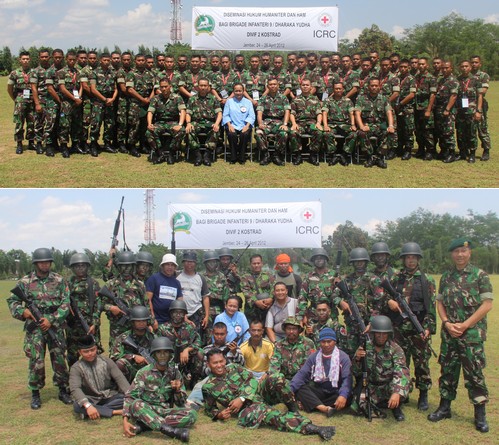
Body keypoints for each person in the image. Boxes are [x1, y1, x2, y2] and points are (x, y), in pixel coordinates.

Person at [428, 238, 493, 433]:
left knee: (474, 374)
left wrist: (465, 325)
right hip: (450, 334)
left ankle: (479, 414)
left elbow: (487, 304)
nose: (460, 255)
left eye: (463, 251)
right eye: (456, 251)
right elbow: (439, 303)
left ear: (469, 252)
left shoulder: (480, 275)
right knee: (447, 371)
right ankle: (444, 407)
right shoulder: (446, 277)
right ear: (452, 254)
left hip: (471, 334)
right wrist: (447, 322)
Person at [202, 349, 335, 441]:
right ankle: (313, 428)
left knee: (276, 377)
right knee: (271, 414)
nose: (219, 365)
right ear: (208, 364)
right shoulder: (208, 387)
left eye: (221, 361)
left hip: (257, 394)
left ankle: (293, 409)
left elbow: (252, 381)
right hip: (247, 410)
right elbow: (209, 409)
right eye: (215, 363)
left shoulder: (235, 367)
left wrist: (242, 397)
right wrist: (218, 415)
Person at [7, 247, 72, 409]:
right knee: (36, 359)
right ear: (36, 263)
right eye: (41, 262)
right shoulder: (24, 282)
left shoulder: (59, 280)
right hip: (34, 328)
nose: (45, 265)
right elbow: (13, 302)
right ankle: (35, 393)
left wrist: (51, 319)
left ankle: (63, 389)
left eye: (47, 262)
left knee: (59, 358)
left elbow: (66, 303)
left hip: (54, 326)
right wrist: (24, 312)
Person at [387, 242, 436, 411]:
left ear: (418, 259)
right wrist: (389, 301)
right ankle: (403, 392)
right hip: (400, 328)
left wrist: (428, 328)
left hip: (419, 327)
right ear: (403, 260)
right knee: (401, 362)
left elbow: (431, 307)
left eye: (414, 258)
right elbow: (384, 295)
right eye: (408, 258)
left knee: (421, 362)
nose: (411, 261)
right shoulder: (396, 278)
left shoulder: (426, 279)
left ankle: (423, 394)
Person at [123, 337, 197, 441]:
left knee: (192, 414)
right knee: (136, 404)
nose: (162, 356)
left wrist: (177, 390)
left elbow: (181, 403)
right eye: (159, 353)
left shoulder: (175, 373)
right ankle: (172, 431)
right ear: (154, 355)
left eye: (165, 352)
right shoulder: (143, 373)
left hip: (164, 411)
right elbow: (130, 397)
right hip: (146, 409)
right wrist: (125, 421)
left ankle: (146, 424)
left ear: (170, 355)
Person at [352, 316, 410, 421]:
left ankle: (395, 406)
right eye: (378, 333)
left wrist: (396, 392)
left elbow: (401, 371)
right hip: (372, 386)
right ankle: (383, 403)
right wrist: (357, 359)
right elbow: (356, 372)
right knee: (357, 406)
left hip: (389, 385)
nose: (381, 336)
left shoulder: (396, 349)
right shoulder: (365, 346)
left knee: (400, 390)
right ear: (373, 333)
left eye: (384, 334)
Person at [334, 247, 385, 360]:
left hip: (368, 325)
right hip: (352, 324)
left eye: (361, 261)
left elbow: (379, 302)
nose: (359, 264)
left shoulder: (374, 279)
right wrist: (341, 302)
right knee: (352, 354)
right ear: (353, 263)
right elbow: (334, 295)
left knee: (370, 355)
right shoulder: (347, 280)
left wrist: (371, 322)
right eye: (357, 262)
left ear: (366, 262)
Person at [291, 328, 352, 417]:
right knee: (300, 389)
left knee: (348, 397)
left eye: (329, 341)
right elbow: (302, 374)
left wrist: (343, 395)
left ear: (334, 341)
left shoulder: (343, 357)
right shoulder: (314, 357)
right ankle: (324, 409)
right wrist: (291, 390)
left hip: (336, 392)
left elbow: (347, 379)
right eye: (323, 342)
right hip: (320, 391)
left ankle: (312, 404)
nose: (326, 345)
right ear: (320, 343)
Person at [185, 321, 245, 410]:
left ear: (226, 334)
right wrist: (216, 369)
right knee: (199, 386)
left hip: (232, 378)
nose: (219, 337)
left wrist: (234, 353)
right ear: (212, 333)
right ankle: (193, 404)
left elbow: (242, 364)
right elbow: (204, 370)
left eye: (222, 334)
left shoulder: (234, 347)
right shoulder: (206, 349)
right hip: (213, 378)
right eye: (217, 334)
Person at [69, 335, 130, 420]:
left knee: (126, 399)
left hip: (109, 396)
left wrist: (130, 395)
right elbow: (75, 388)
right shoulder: (76, 368)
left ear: (96, 349)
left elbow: (120, 378)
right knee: (77, 405)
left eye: (92, 350)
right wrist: (88, 405)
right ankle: (115, 412)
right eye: (86, 351)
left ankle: (95, 411)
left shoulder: (107, 361)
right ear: (80, 352)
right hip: (90, 398)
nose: (90, 353)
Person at [101, 250, 148, 350]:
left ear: (133, 267)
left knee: (136, 351)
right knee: (116, 351)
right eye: (123, 266)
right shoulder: (111, 284)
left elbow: (146, 304)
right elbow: (100, 303)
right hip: (117, 327)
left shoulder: (140, 284)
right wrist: (111, 307)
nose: (126, 269)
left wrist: (150, 322)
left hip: (136, 326)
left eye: (129, 266)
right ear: (118, 267)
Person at [66, 252, 102, 368]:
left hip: (90, 326)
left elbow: (98, 304)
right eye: (77, 266)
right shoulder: (66, 284)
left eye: (83, 266)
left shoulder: (93, 283)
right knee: (72, 355)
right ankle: (73, 381)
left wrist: (95, 323)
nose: (80, 269)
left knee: (93, 353)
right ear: (72, 268)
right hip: (73, 326)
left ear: (87, 267)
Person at [156, 300, 204, 388]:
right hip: (168, 359)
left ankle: (193, 380)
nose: (178, 315)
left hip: (185, 359)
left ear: (184, 314)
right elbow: (157, 346)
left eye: (181, 313)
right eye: (175, 313)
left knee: (200, 353)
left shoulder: (189, 327)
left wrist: (187, 349)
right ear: (171, 313)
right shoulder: (163, 329)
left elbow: (198, 342)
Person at [354, 78, 395, 168]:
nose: (374, 87)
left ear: (379, 87)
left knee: (391, 134)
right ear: (368, 87)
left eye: (376, 85)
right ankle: (370, 157)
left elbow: (389, 112)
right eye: (372, 85)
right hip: (367, 125)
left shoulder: (384, 99)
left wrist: (391, 126)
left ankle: (379, 157)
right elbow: (357, 113)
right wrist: (361, 126)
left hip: (380, 126)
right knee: (361, 133)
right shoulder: (361, 99)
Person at [110, 306, 156, 383]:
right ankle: (124, 389)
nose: (141, 324)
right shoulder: (123, 337)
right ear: (133, 322)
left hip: (149, 370)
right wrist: (133, 357)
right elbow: (114, 356)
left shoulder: (153, 337)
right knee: (120, 363)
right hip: (132, 370)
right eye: (138, 321)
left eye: (143, 321)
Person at [146, 77, 186, 165]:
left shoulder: (177, 97)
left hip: (173, 122)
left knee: (181, 131)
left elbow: (182, 111)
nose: (164, 89)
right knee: (149, 132)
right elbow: (150, 112)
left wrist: (180, 124)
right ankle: (160, 153)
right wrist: (149, 124)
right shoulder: (156, 98)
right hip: (160, 123)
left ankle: (171, 153)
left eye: (166, 86)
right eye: (162, 87)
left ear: (170, 86)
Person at [185, 77, 222, 166]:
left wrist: (217, 124)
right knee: (190, 130)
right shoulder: (192, 99)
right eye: (201, 85)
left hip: (209, 122)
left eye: (205, 85)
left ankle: (207, 155)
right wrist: (188, 123)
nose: (203, 87)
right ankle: (197, 155)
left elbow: (219, 113)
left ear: (208, 87)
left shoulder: (213, 98)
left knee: (215, 130)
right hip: (196, 122)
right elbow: (188, 113)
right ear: (197, 87)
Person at [288, 77, 324, 166]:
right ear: (300, 87)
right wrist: (293, 124)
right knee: (293, 132)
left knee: (318, 132)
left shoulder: (315, 99)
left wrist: (318, 123)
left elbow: (319, 113)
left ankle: (312, 155)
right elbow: (292, 113)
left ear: (311, 87)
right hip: (299, 123)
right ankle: (298, 155)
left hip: (312, 123)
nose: (305, 87)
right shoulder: (295, 100)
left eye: (307, 85)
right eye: (303, 85)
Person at [126, 53, 156, 157]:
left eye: (143, 60)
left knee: (144, 126)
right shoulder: (131, 74)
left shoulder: (150, 74)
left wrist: (149, 99)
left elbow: (154, 88)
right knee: (135, 126)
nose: (141, 62)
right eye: (139, 60)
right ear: (135, 61)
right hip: (136, 104)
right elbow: (130, 89)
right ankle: (132, 146)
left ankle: (143, 145)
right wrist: (142, 99)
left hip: (147, 103)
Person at [255, 78, 290, 166]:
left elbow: (287, 111)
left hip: (279, 122)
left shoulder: (283, 97)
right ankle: (265, 154)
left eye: (274, 84)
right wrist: (260, 123)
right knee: (258, 133)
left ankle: (277, 155)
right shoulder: (263, 98)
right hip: (267, 122)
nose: (273, 86)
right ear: (267, 86)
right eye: (270, 84)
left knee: (283, 133)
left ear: (278, 86)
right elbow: (259, 113)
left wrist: (285, 124)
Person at [269, 317, 315, 382]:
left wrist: (296, 382)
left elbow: (310, 365)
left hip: (303, 380)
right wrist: (278, 378)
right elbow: (274, 365)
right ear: (285, 330)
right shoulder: (279, 345)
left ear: (299, 330)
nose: (291, 331)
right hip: (284, 380)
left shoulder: (308, 343)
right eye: (288, 329)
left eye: (294, 329)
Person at [88, 52, 117, 156]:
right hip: (98, 102)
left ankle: (107, 143)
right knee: (96, 124)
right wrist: (105, 99)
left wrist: (112, 98)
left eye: (108, 60)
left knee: (109, 124)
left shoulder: (113, 73)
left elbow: (116, 88)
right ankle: (93, 144)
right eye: (104, 60)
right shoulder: (94, 73)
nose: (106, 62)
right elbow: (93, 89)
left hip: (110, 101)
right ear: (100, 60)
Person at [322, 81, 356, 166]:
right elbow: (324, 113)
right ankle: (333, 155)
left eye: (339, 88)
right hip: (332, 124)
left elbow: (352, 113)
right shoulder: (328, 100)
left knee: (353, 134)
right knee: (327, 134)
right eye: (336, 89)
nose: (338, 90)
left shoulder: (348, 101)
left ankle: (343, 154)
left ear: (343, 89)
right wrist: (325, 125)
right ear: (333, 90)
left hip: (345, 124)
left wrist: (353, 125)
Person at [176, 251, 210, 336]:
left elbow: (205, 297)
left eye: (192, 262)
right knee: (180, 336)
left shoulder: (201, 278)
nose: (189, 264)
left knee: (196, 337)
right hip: (179, 312)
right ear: (183, 263)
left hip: (196, 312)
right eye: (187, 261)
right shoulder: (176, 275)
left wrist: (206, 316)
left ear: (195, 263)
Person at [455, 60, 483, 163]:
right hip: (460, 111)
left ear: (470, 67)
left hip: (471, 111)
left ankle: (472, 154)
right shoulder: (457, 79)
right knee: (460, 133)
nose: (464, 68)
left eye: (466, 66)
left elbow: (480, 96)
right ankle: (462, 152)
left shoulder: (476, 80)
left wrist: (478, 111)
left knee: (471, 133)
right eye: (462, 66)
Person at [57, 50, 83, 158]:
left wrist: (79, 97)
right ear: (66, 60)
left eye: (73, 60)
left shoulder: (79, 72)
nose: (72, 61)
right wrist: (74, 98)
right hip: (67, 102)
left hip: (77, 102)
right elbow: (62, 89)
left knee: (76, 124)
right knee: (65, 125)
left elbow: (82, 85)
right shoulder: (61, 72)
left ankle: (75, 145)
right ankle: (64, 146)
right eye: (70, 60)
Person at [7, 51, 35, 154]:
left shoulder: (33, 72)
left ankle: (31, 142)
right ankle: (19, 143)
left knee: (31, 121)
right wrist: (15, 99)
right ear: (20, 60)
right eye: (23, 59)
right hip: (20, 99)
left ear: (30, 60)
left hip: (32, 99)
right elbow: (9, 88)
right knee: (19, 122)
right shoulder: (15, 73)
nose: (25, 61)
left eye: (27, 59)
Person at [146, 253, 183, 328]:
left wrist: (185, 318)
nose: (170, 267)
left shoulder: (177, 283)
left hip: (172, 322)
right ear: (162, 266)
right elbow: (147, 300)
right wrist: (152, 319)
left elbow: (180, 303)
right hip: (157, 321)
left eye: (172, 265)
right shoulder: (154, 279)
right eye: (167, 264)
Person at [223, 82, 255, 164]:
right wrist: (229, 125)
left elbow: (251, 116)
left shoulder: (248, 102)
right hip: (232, 124)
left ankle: (241, 156)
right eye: (236, 91)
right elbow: (225, 115)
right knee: (231, 134)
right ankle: (233, 157)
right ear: (233, 92)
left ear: (243, 91)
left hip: (245, 125)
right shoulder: (229, 102)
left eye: (240, 91)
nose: (238, 93)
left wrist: (247, 126)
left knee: (244, 135)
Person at [434, 61, 458, 163]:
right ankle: (443, 151)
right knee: (441, 131)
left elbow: (454, 96)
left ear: (451, 68)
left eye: (446, 68)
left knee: (448, 132)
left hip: (448, 111)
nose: (444, 70)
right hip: (439, 110)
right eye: (443, 68)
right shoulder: (441, 80)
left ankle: (451, 153)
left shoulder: (453, 81)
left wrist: (447, 109)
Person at [202, 250, 229, 342]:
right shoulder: (201, 277)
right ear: (205, 263)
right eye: (209, 262)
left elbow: (226, 295)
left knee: (220, 336)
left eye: (214, 262)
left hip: (220, 311)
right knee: (207, 337)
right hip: (205, 312)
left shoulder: (221, 277)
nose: (212, 264)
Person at [414, 57, 437, 160]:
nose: (421, 66)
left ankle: (430, 151)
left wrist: (428, 109)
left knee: (428, 130)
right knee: (418, 130)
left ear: (427, 65)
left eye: (423, 64)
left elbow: (433, 94)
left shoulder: (431, 78)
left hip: (426, 107)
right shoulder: (416, 77)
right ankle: (421, 149)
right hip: (416, 107)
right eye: (419, 64)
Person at [241, 254, 275, 323]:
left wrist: (271, 299)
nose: (256, 265)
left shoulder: (269, 275)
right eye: (254, 263)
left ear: (262, 263)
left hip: (267, 309)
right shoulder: (245, 277)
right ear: (250, 264)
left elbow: (274, 288)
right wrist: (256, 302)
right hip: (252, 311)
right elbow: (246, 291)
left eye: (258, 263)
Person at [30, 48, 51, 155]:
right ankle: (38, 143)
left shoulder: (53, 70)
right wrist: (37, 103)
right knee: (39, 122)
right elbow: (34, 88)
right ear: (39, 58)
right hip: (41, 99)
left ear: (49, 57)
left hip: (51, 100)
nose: (44, 58)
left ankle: (49, 144)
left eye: (46, 56)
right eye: (42, 57)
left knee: (50, 123)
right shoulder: (35, 71)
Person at [395, 59, 417, 160]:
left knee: (408, 129)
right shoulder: (397, 78)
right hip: (397, 108)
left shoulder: (411, 79)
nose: (403, 69)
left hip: (407, 108)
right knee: (399, 129)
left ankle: (408, 150)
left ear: (408, 68)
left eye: (405, 67)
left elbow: (412, 94)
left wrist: (401, 103)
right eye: (401, 67)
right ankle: (399, 148)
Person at [470, 55, 491, 160]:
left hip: (480, 105)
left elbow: (483, 92)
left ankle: (486, 150)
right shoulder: (466, 76)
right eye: (472, 62)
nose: (474, 64)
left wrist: (478, 109)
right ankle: (470, 150)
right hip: (468, 106)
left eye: (476, 62)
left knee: (482, 129)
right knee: (470, 129)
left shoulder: (484, 76)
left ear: (480, 64)